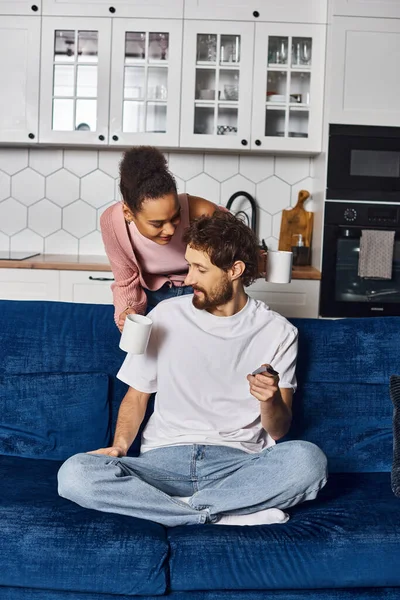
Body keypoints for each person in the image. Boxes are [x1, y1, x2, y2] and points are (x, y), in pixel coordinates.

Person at [58, 211, 327, 527]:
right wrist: (119, 447)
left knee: (310, 462)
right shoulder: (166, 316)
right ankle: (220, 513)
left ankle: (173, 511)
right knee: (75, 473)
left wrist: (268, 400)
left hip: (237, 466)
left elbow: (280, 430)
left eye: (200, 269)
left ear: (234, 270)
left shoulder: (278, 332)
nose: (188, 279)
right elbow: (137, 396)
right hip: (161, 463)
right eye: (189, 266)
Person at [100, 145, 220, 330]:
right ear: (128, 213)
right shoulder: (113, 223)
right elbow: (126, 281)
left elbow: (229, 264)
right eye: (157, 224)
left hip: (200, 292)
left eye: (176, 217)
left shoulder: (202, 212)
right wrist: (128, 310)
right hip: (152, 296)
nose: (170, 230)